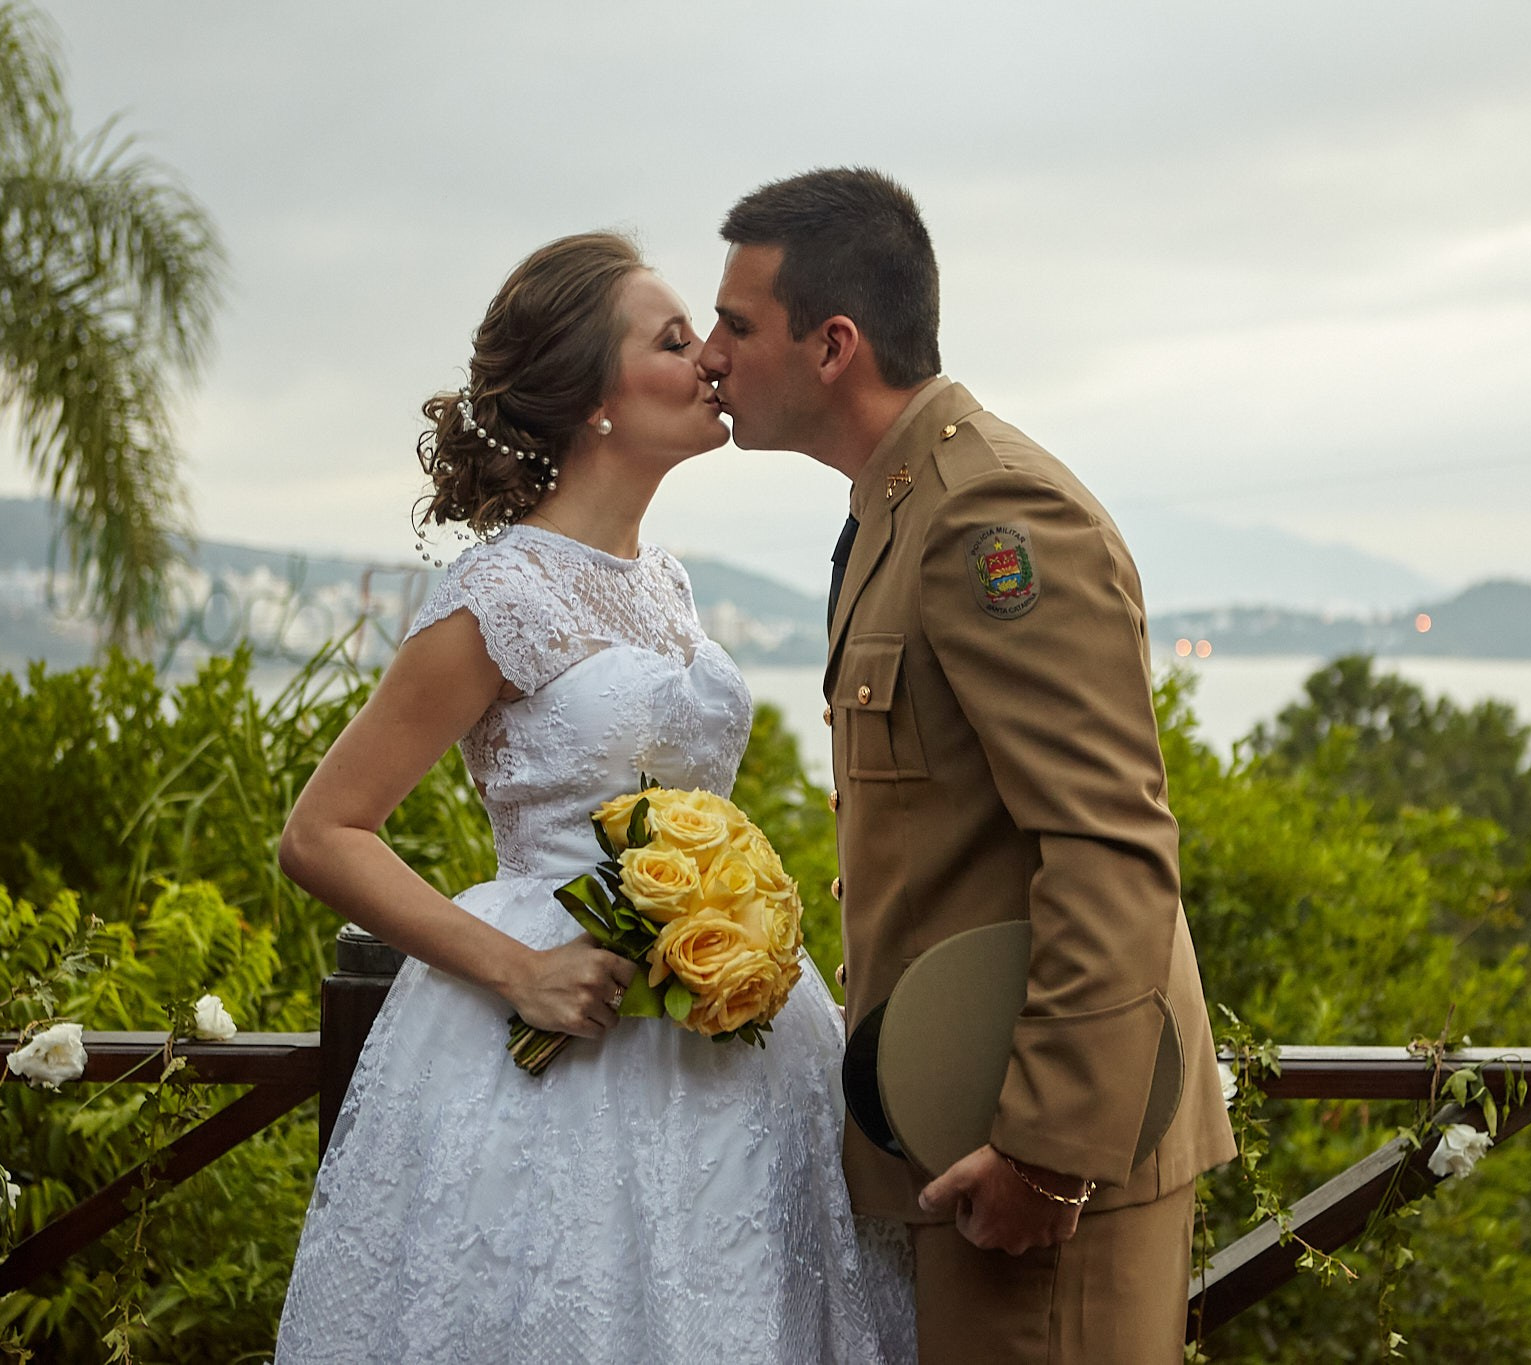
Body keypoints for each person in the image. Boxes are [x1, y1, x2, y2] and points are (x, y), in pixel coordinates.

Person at [274, 232, 914, 1365]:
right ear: (594, 400)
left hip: (726, 1040)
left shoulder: (664, 583)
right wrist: (517, 968)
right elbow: (323, 833)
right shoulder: (499, 592)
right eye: (676, 341)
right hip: (564, 1041)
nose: (711, 359)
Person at [699, 170, 1237, 1364]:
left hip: (1041, 1164)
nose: (710, 355)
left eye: (736, 325)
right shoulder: (896, 508)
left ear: (832, 344)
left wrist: (1050, 1151)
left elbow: (1107, 843)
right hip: (970, 1129)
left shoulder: (990, 515)